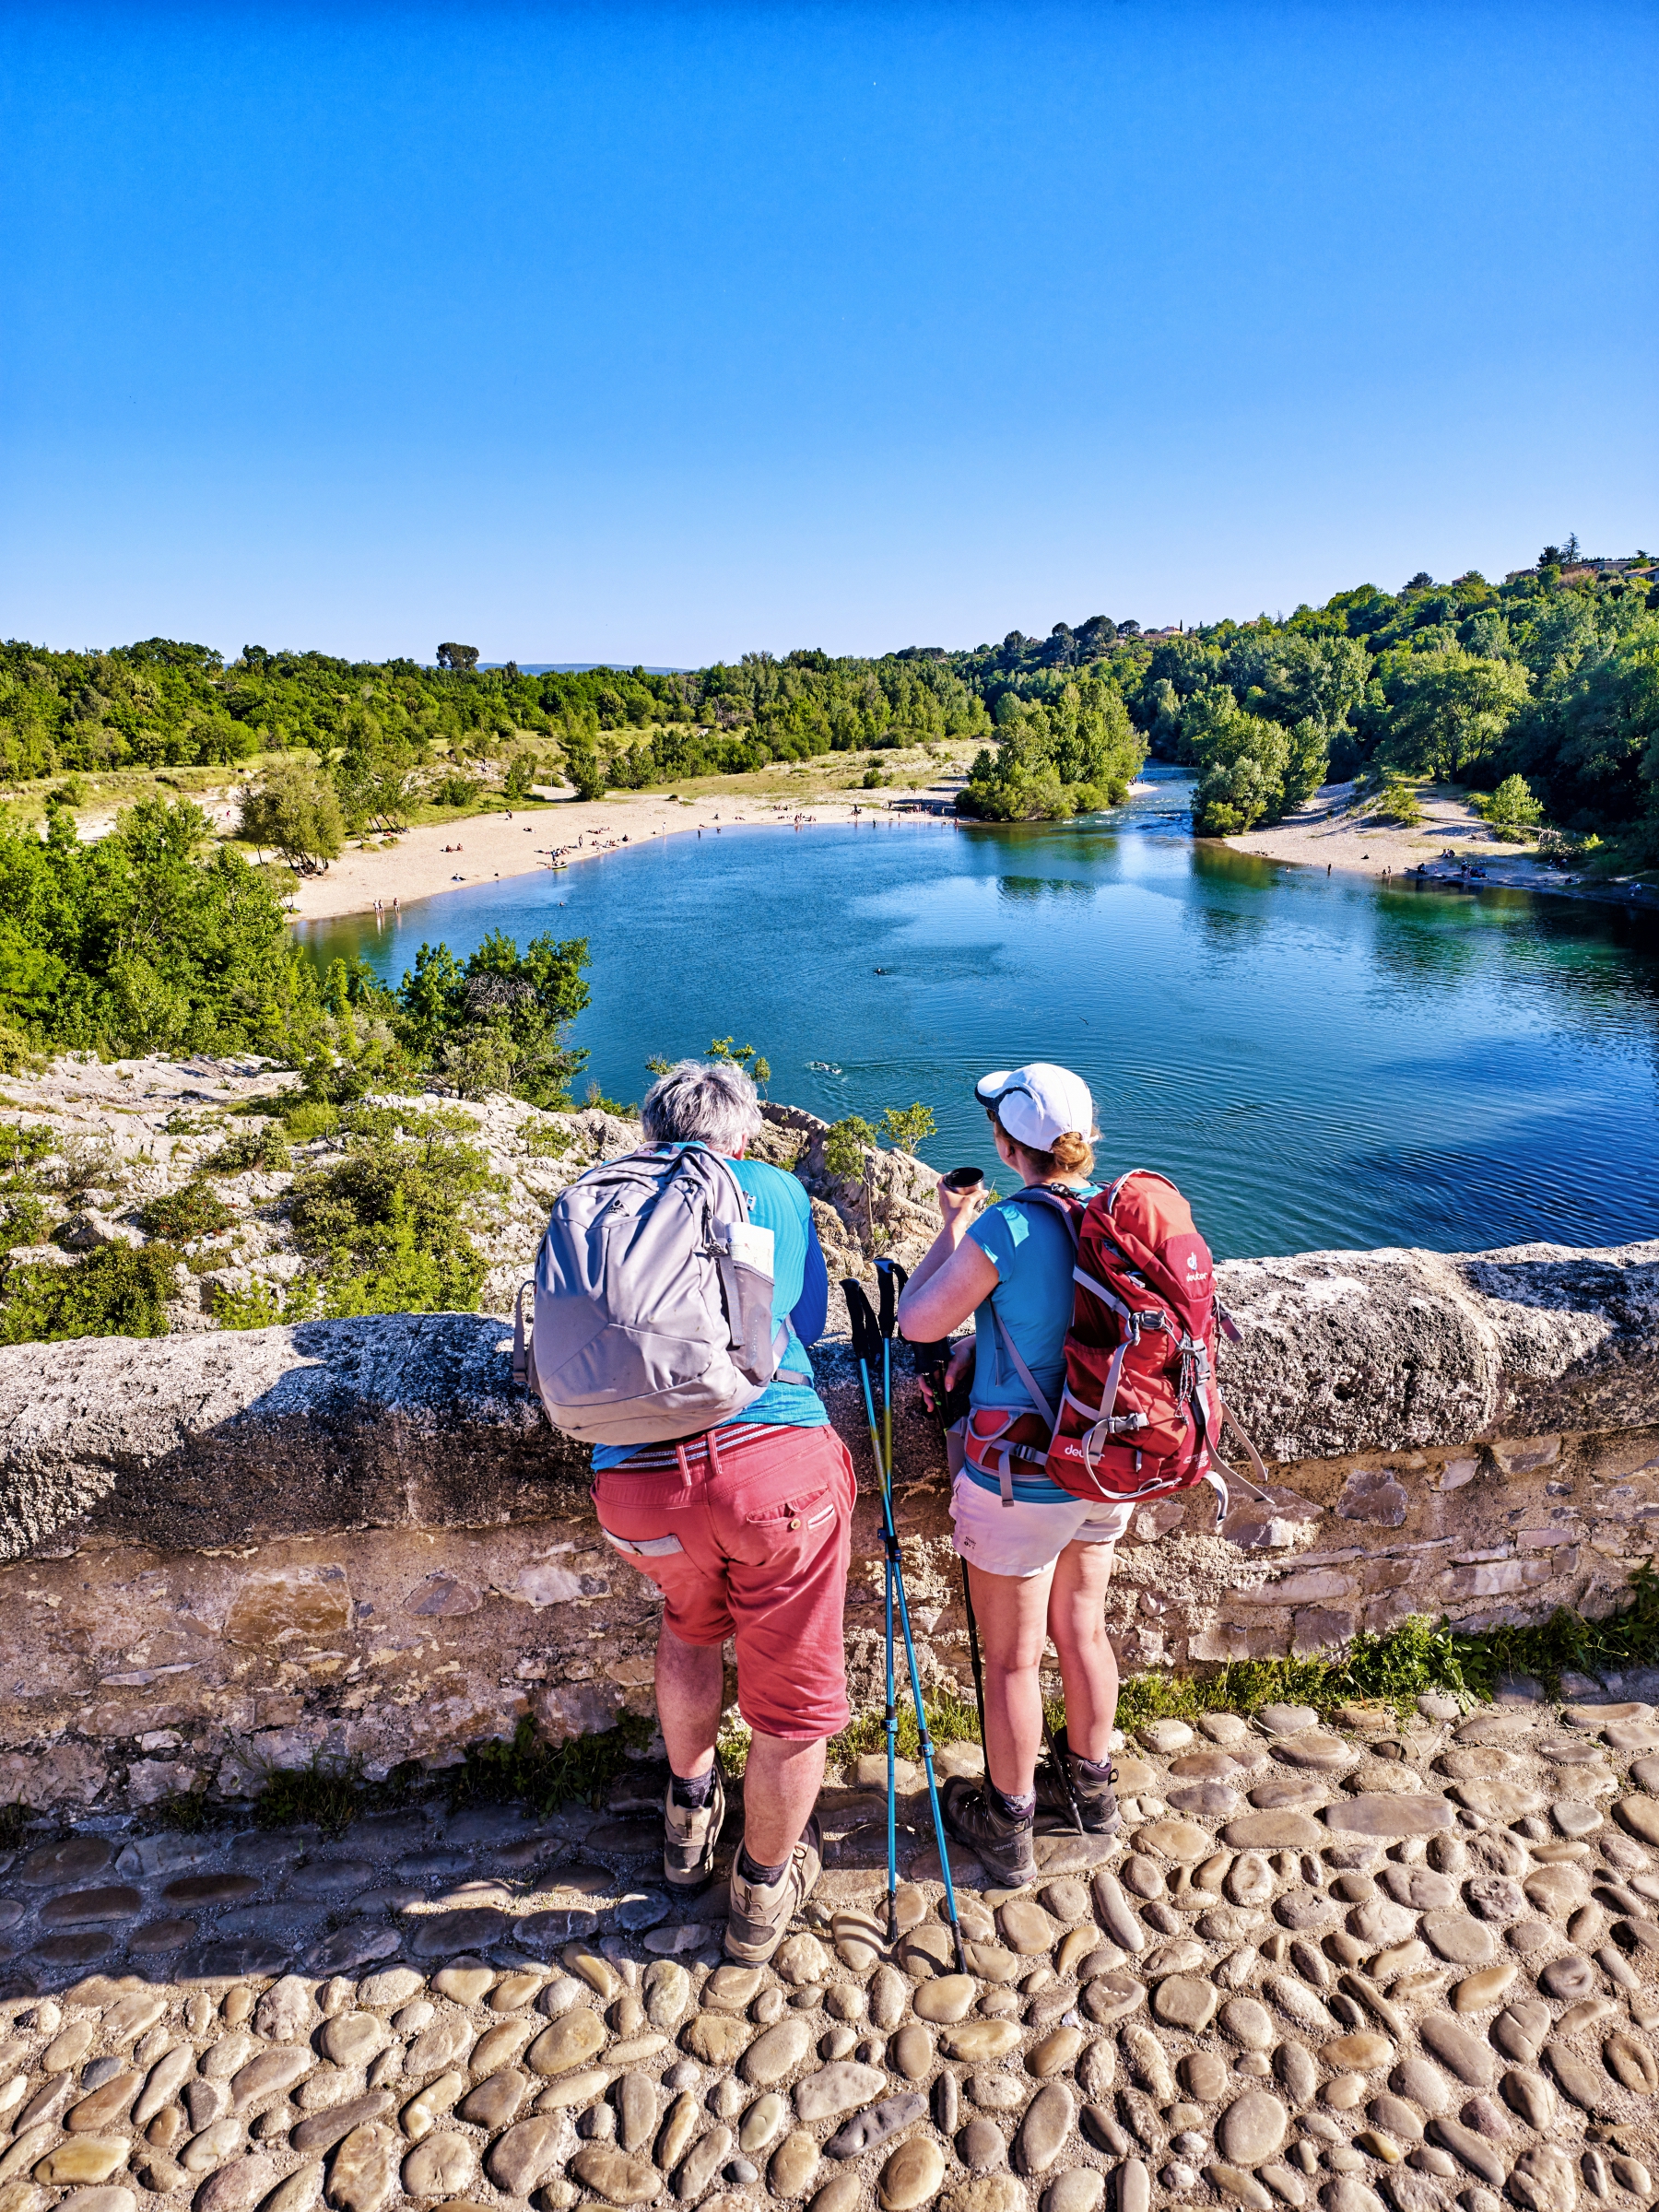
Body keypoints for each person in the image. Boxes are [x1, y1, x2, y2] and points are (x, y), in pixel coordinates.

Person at [590, 1059, 853, 1961]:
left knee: (689, 1626)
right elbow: (806, 1324)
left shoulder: (607, 1198)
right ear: (740, 1137)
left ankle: (687, 1819)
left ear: (650, 1132)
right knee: (793, 1701)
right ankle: (760, 1894)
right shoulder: (771, 1188)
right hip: (770, 1476)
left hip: (636, 1489)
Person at [896, 1063, 1123, 1886]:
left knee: (1014, 1662)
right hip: (1106, 1459)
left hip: (1021, 1475)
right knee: (1084, 1631)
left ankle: (1009, 1823)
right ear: (1084, 1140)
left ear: (1005, 1144)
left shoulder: (1009, 1227)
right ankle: (1091, 1794)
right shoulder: (1113, 1215)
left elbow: (916, 1321)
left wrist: (955, 1226)